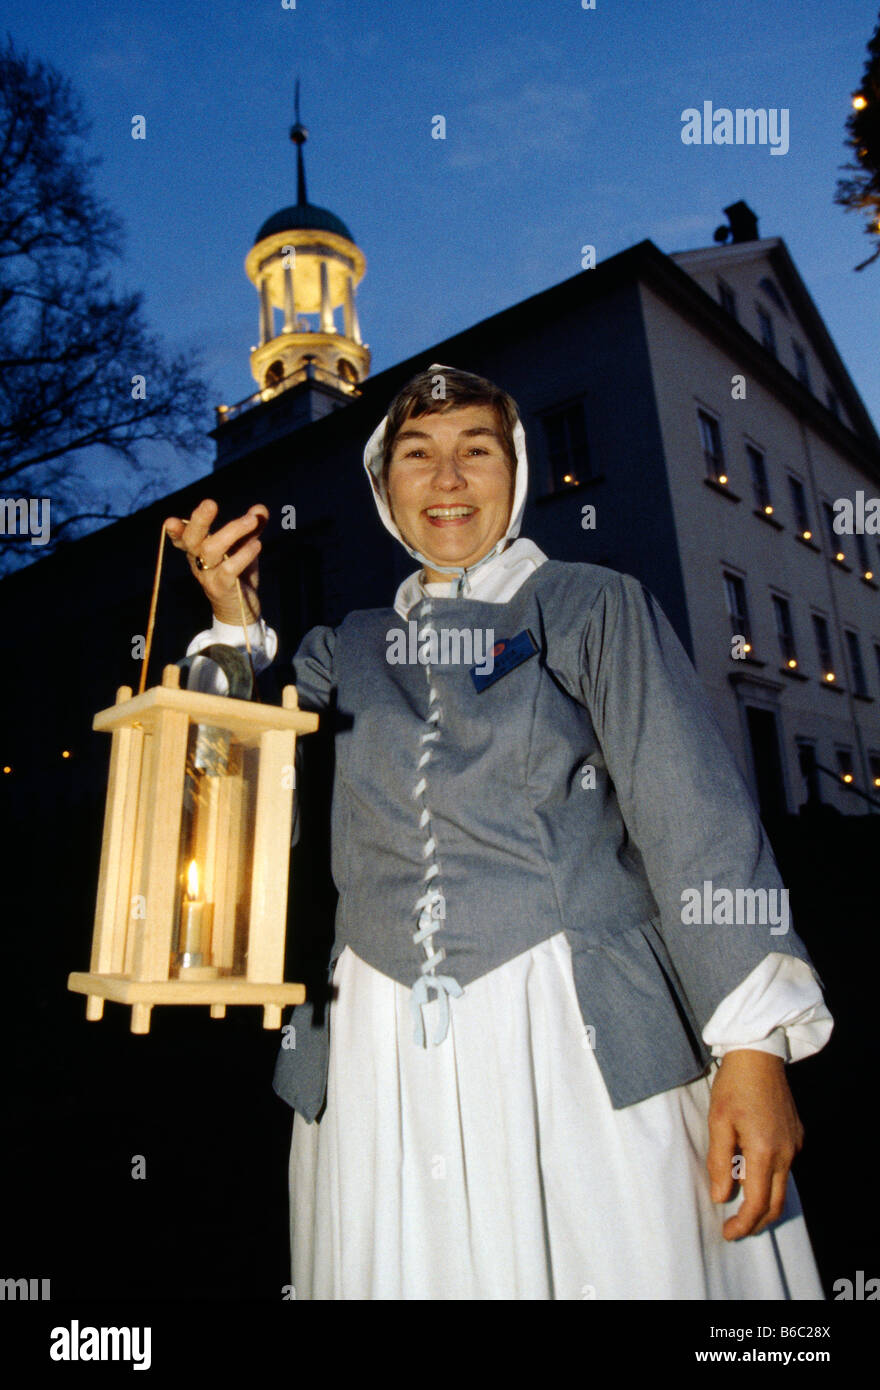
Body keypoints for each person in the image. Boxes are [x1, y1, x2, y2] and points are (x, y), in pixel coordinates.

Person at [167, 365, 833, 1301]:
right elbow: (226, 794)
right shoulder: (341, 650)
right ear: (382, 486)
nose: (447, 480)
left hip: (574, 1044)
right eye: (417, 456)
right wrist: (234, 628)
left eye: (474, 452)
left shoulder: (595, 608)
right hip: (376, 1054)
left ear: (514, 473)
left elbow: (699, 828)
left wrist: (756, 1050)